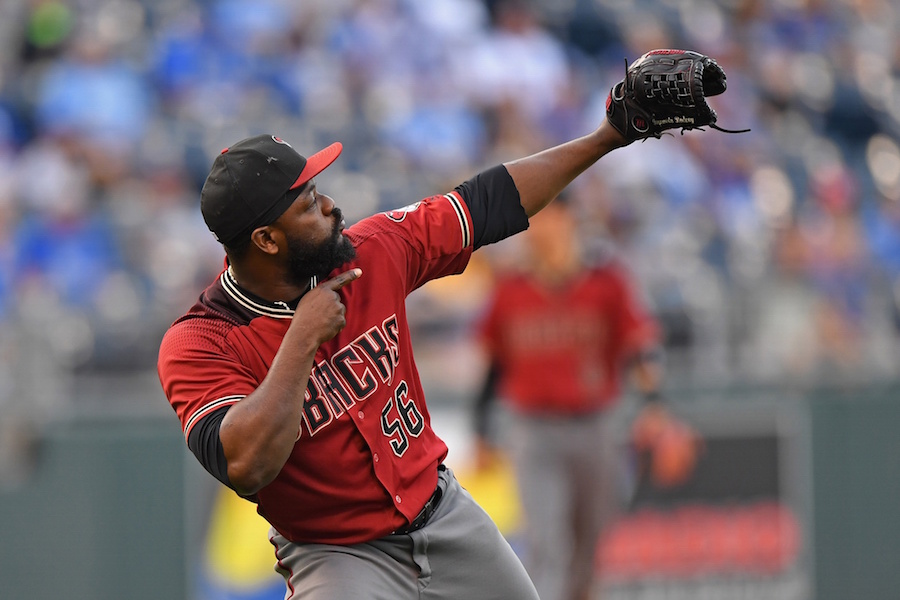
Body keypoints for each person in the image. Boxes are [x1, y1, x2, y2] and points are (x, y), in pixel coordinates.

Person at [156, 104, 643, 599]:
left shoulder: (370, 250)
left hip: (444, 512)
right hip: (336, 552)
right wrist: (302, 341)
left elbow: (485, 203)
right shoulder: (201, 342)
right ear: (265, 240)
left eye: (317, 192)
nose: (328, 207)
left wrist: (608, 136)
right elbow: (245, 465)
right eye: (306, 204)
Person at [470, 196, 666, 600]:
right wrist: (481, 430)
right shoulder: (511, 287)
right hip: (534, 430)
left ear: (567, 220)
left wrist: (654, 405)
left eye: (545, 218)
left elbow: (640, 348)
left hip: (596, 426)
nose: (536, 230)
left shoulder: (605, 280)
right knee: (548, 545)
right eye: (531, 221)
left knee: (590, 547)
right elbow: (493, 365)